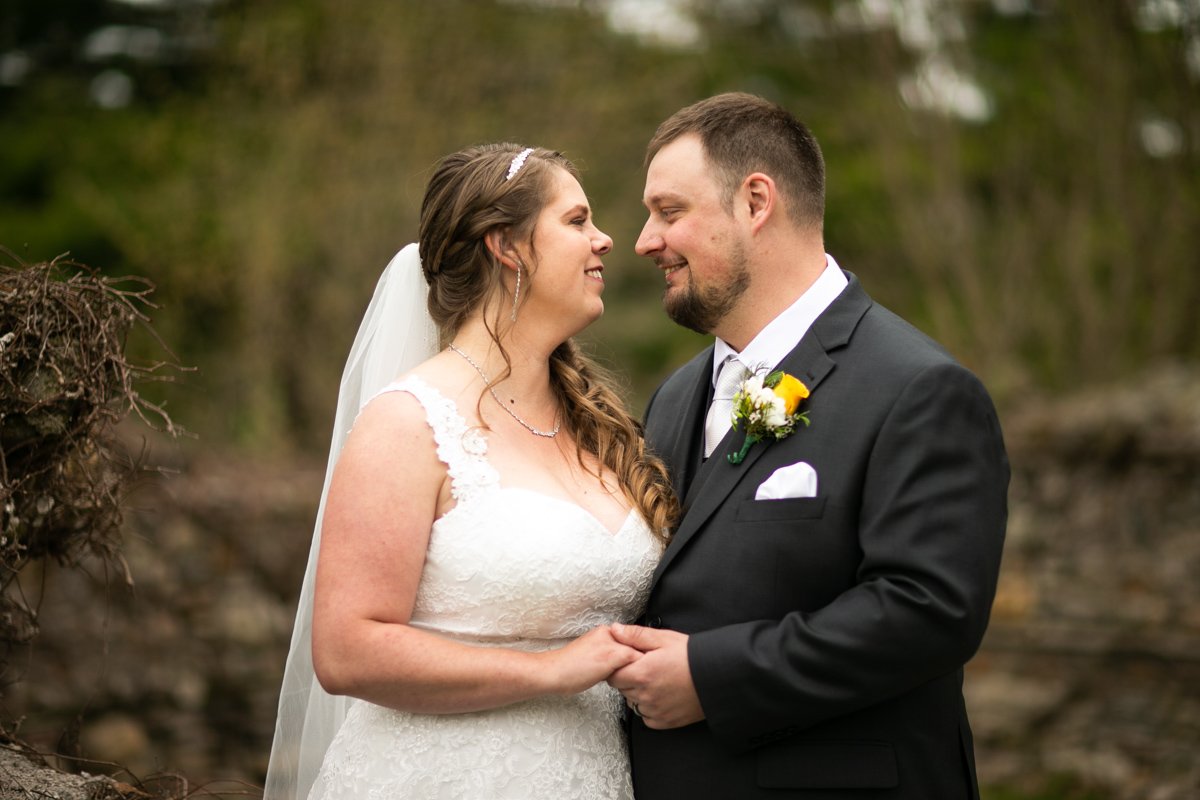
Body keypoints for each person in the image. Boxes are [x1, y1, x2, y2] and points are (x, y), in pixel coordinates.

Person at [607, 93, 1009, 798]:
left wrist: (713, 675)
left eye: (669, 212)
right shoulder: (674, 396)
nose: (643, 240)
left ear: (756, 202)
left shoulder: (918, 389)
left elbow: (928, 610)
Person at [263, 142, 677, 800]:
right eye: (576, 221)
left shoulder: (600, 426)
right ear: (505, 246)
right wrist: (553, 671)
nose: (604, 240)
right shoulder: (408, 423)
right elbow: (346, 650)